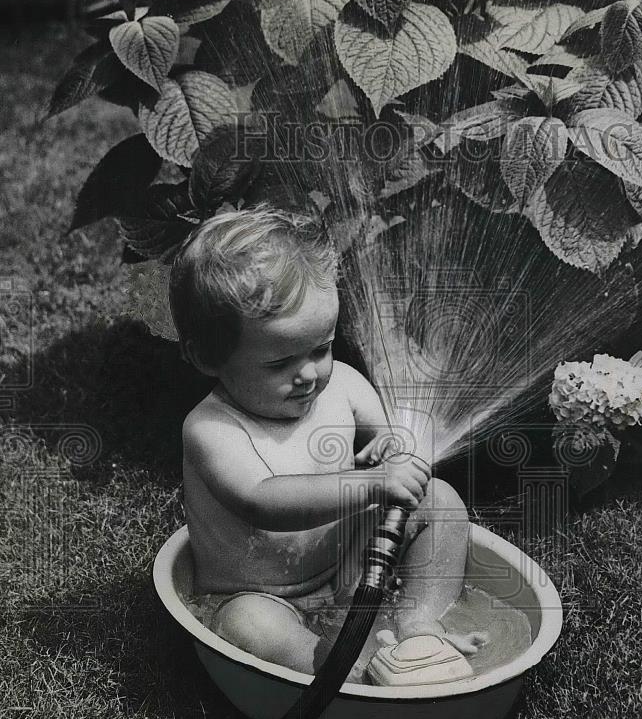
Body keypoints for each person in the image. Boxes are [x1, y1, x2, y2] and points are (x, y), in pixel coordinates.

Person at [170, 203, 487, 681]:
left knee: (439, 502)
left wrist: (390, 448)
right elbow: (264, 501)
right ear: (208, 358)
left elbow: (388, 440)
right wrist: (371, 483)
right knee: (249, 625)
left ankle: (421, 627)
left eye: (321, 348)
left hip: (345, 572)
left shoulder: (342, 385)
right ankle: (353, 678)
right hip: (258, 595)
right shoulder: (211, 429)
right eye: (279, 364)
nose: (308, 374)